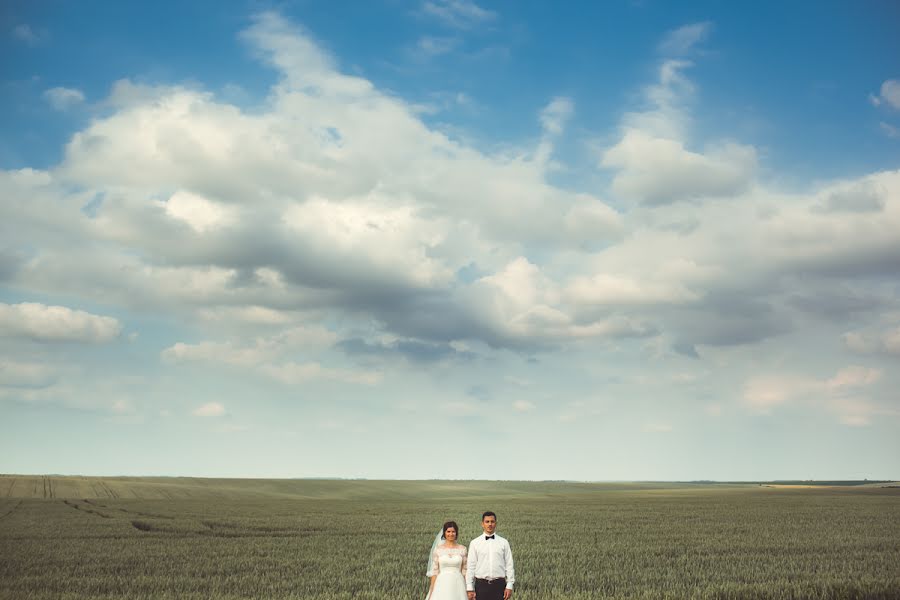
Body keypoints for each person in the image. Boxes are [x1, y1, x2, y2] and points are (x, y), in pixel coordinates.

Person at [465, 511, 515, 600]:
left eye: (492, 521)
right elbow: (471, 566)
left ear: (496, 523)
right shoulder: (475, 543)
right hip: (481, 586)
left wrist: (509, 585)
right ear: (482, 524)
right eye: (487, 522)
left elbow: (509, 564)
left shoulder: (504, 542)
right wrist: (469, 587)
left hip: (499, 586)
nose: (490, 524)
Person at [425, 521, 468, 600]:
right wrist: (431, 590)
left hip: (458, 584)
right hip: (442, 583)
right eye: (448, 531)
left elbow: (464, 571)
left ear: (456, 533)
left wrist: (468, 589)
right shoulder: (438, 550)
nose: (451, 534)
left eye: (453, 532)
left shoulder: (463, 549)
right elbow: (435, 572)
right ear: (444, 533)